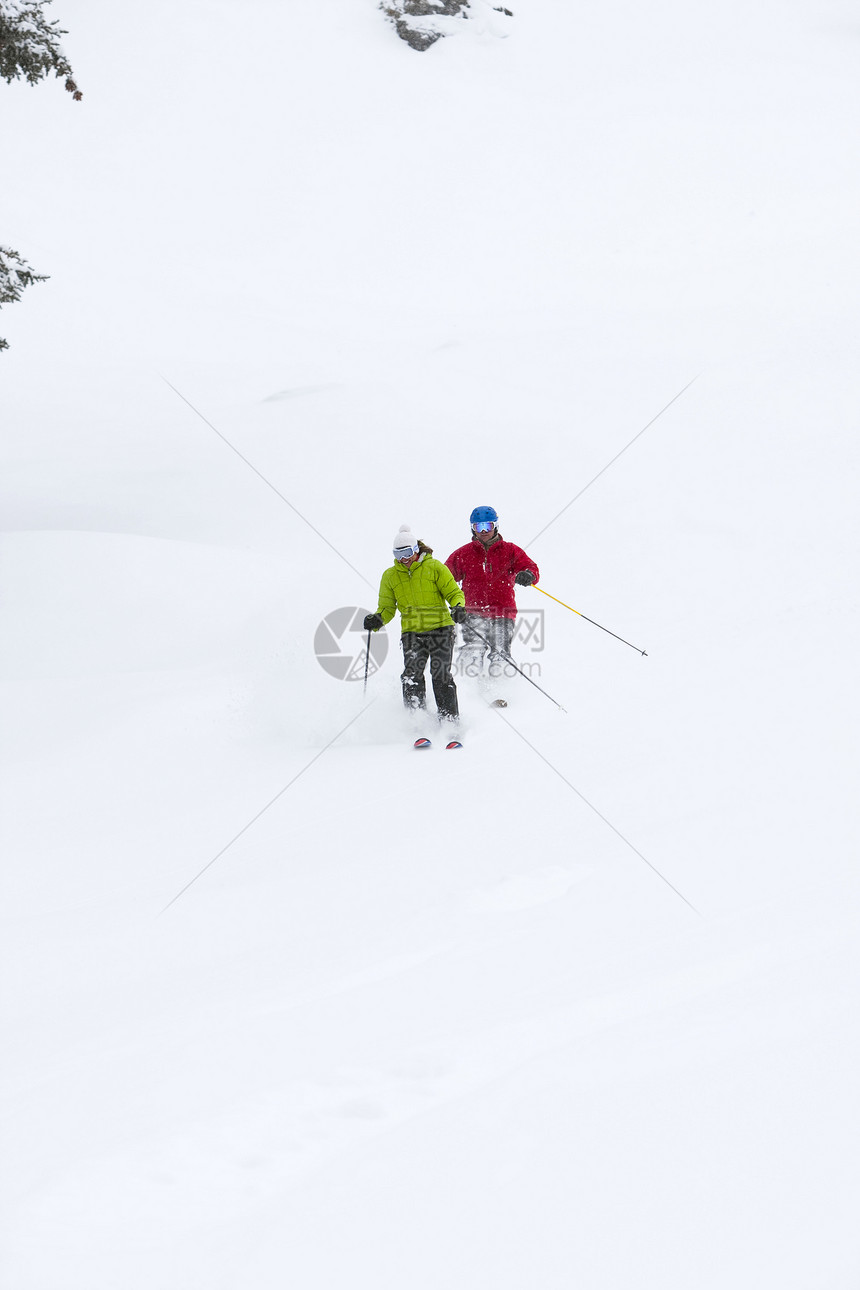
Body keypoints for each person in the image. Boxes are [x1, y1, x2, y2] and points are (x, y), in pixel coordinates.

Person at [364, 524, 467, 724]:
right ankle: (416, 721)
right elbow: (387, 607)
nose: (404, 559)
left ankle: (449, 720)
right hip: (412, 633)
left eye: (408, 552)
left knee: (440, 674)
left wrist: (458, 607)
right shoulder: (390, 576)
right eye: (398, 554)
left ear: (416, 549)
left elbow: (454, 593)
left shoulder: (435, 567)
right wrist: (377, 619)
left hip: (441, 629)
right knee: (411, 675)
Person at [445, 505, 539, 692]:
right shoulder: (463, 554)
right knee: (473, 649)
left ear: (496, 525)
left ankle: (500, 692)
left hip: (502, 611)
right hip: (473, 612)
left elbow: (531, 568)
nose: (484, 531)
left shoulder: (510, 551)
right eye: (478, 527)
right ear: (472, 528)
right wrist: (454, 605)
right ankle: (468, 692)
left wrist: (528, 574)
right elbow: (444, 578)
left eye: (488, 526)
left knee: (500, 651)